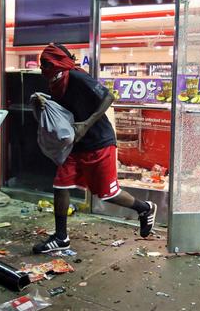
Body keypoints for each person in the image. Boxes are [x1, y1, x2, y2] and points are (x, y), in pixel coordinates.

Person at [30, 44, 157, 254]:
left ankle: (144, 208)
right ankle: (61, 237)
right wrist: (47, 103)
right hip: (76, 144)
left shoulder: (77, 77)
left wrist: (86, 124)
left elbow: (108, 97)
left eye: (46, 64)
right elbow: (70, 108)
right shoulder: (56, 83)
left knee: (107, 194)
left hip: (99, 142)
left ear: (56, 63)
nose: (43, 69)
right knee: (60, 185)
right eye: (42, 64)